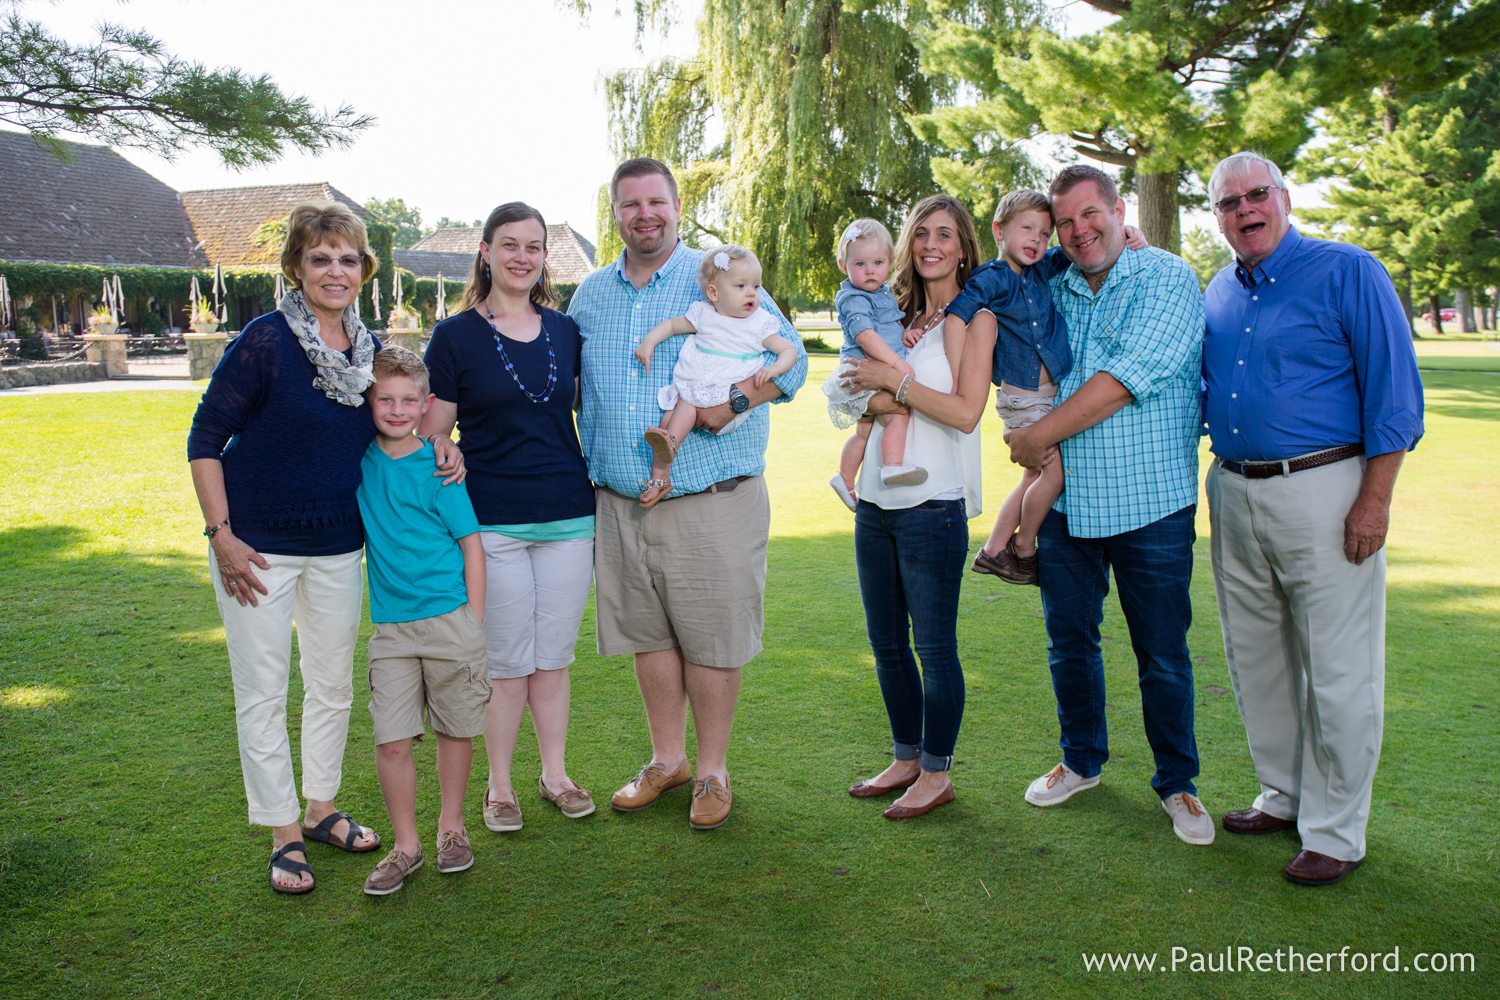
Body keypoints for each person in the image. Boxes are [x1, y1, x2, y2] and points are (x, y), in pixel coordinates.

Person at [187, 201, 464, 894]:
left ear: (363, 269)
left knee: (332, 686)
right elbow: (204, 441)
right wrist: (221, 536)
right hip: (256, 551)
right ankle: (283, 832)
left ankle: (319, 808)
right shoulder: (264, 341)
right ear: (296, 267)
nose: (334, 270)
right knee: (262, 688)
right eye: (320, 258)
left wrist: (441, 442)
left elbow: (400, 419)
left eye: (347, 258)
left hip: (341, 548)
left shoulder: (369, 355)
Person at [1202, 151, 1424, 886]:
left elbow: (1395, 394)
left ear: (1285, 198)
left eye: (1255, 195)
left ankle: (1335, 830)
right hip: (1234, 491)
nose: (1244, 210)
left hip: (1328, 487)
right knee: (1256, 657)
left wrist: (1376, 498)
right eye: (1228, 203)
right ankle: (1284, 794)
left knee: (1337, 667)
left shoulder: (1348, 271)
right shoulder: (1218, 292)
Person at [569, 157, 808, 830]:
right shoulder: (591, 294)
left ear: (677, 205)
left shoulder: (719, 272)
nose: (644, 213)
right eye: (629, 204)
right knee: (649, 639)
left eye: (656, 201)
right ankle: (667, 760)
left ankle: (712, 771)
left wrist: (732, 403)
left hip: (711, 499)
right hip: (620, 502)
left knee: (712, 638)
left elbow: (792, 361)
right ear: (614, 211)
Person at [1002, 165, 1211, 845]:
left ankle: (1177, 785)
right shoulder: (1050, 283)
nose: (1079, 229)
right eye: (1066, 221)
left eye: (1092, 214)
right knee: (1069, 644)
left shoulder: (1166, 277)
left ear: (1120, 211)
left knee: (1162, 655)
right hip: (1069, 507)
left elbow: (1121, 381)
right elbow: (1002, 272)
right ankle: (1082, 761)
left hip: (1152, 503)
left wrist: (1036, 436)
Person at [420, 202, 598, 836]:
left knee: (553, 659)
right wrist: (443, 445)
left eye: (534, 246)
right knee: (506, 662)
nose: (523, 256)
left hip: (569, 517)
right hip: (492, 520)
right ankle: (499, 787)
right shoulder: (455, 336)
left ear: (545, 257)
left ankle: (555, 775)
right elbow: (432, 434)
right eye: (510, 245)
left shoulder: (566, 331)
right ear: (486, 252)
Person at [838, 194, 983, 820]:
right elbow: (842, 389)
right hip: (874, 501)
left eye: (944, 234)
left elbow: (965, 411)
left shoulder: (973, 319)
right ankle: (904, 756)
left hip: (932, 503)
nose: (930, 244)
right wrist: (870, 397)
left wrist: (889, 384)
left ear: (963, 247)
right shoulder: (888, 312)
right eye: (920, 233)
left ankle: (936, 771)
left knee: (935, 647)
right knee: (886, 644)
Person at [958, 196, 1148, 585]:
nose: (1037, 239)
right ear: (999, 230)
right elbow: (958, 313)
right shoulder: (991, 279)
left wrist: (1126, 232)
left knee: (1032, 477)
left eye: (1044, 233)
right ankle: (1024, 548)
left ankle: (994, 551)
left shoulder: (1042, 270)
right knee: (1054, 476)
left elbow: (1082, 248)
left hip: (1044, 395)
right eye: (1027, 229)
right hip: (1023, 395)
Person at [356, 347, 489, 895]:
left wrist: (473, 623)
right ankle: (406, 845)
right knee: (391, 739)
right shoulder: (358, 460)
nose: (396, 408)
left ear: (427, 404)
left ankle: (452, 829)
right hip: (391, 630)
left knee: (454, 729)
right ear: (368, 400)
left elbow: (472, 546)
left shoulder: (440, 466)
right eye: (385, 398)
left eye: (408, 400)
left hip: (450, 621)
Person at [633, 243, 799, 507]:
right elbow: (672, 326)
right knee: (668, 422)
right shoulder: (704, 314)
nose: (752, 294)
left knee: (677, 419)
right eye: (741, 286)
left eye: (756, 286)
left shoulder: (759, 323)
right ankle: (660, 476)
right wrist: (649, 342)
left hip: (724, 395)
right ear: (713, 292)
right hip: (696, 386)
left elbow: (790, 351)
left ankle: (668, 450)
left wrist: (775, 368)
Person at [823, 218, 930, 507]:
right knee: (898, 414)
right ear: (843, 265)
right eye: (860, 264)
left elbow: (885, 328)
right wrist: (897, 362)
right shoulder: (853, 297)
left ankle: (845, 478)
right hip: (863, 371)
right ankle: (892, 466)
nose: (870, 270)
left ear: (890, 262)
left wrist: (906, 334)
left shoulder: (882, 293)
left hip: (869, 369)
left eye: (878, 262)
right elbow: (867, 336)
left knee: (864, 430)